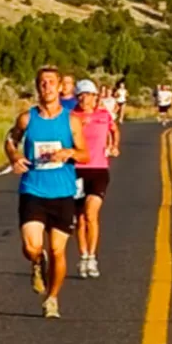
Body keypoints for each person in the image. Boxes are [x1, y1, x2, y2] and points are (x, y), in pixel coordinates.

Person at [4, 65, 89, 319]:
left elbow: (86, 154)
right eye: (42, 82)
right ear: (37, 86)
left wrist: (69, 153)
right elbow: (10, 140)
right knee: (32, 246)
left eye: (52, 82)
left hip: (62, 192)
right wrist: (14, 157)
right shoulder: (27, 118)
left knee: (57, 251)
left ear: (61, 86)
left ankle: (52, 298)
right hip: (33, 189)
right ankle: (36, 262)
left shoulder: (71, 120)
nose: (47, 86)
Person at [72, 80, 120, 279]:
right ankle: (83, 256)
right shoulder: (71, 117)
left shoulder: (103, 115)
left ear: (95, 97)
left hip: (99, 169)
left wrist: (114, 146)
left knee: (91, 213)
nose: (85, 99)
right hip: (75, 170)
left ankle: (92, 257)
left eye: (88, 95)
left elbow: (114, 130)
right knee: (80, 218)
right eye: (81, 95)